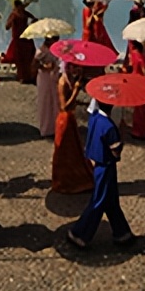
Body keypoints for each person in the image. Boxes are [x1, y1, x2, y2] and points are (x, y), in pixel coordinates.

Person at [68, 100, 133, 248]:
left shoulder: (95, 118)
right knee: (99, 201)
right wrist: (121, 134)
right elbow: (115, 150)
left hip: (98, 165)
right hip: (107, 167)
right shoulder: (109, 127)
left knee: (111, 200)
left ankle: (122, 233)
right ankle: (79, 233)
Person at [51, 63, 93, 194]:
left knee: (74, 151)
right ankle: (66, 181)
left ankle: (75, 177)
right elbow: (64, 107)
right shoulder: (63, 82)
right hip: (64, 120)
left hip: (70, 119)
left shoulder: (69, 79)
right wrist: (76, 91)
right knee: (66, 152)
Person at [125, 39, 145, 140]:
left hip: (135, 82)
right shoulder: (140, 57)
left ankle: (137, 130)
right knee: (144, 108)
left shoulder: (132, 54)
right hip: (142, 83)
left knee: (138, 108)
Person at [2, 0, 37, 84]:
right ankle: (22, 76)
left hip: (26, 37)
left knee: (30, 56)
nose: (22, 8)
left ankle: (30, 75)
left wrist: (32, 23)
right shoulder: (14, 15)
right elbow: (7, 26)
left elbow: (34, 18)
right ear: (17, 6)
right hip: (18, 39)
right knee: (20, 59)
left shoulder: (24, 12)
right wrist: (11, 22)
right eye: (21, 6)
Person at [33, 37, 59, 137]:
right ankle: (45, 129)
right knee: (45, 103)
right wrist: (43, 66)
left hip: (54, 78)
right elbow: (34, 65)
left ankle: (55, 127)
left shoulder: (56, 49)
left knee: (55, 102)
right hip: (44, 78)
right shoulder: (41, 51)